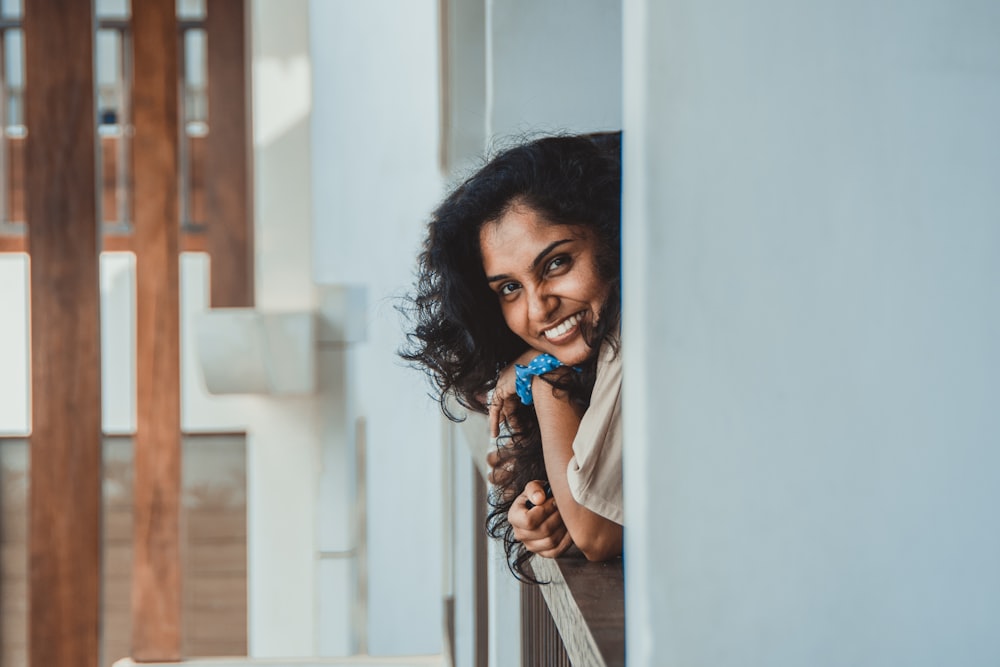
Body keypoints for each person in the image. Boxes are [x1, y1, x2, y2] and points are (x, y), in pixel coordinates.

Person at [401, 132, 623, 580]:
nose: (538, 308)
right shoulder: (589, 353)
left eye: (557, 263)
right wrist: (540, 506)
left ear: (611, 238)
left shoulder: (632, 333)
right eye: (509, 289)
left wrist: (542, 378)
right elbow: (575, 512)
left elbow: (595, 532)